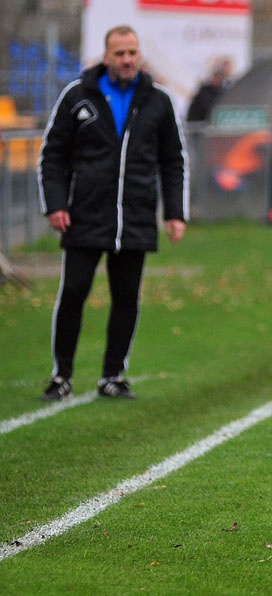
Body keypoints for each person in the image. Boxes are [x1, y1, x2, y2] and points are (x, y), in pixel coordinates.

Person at [37, 25, 188, 401]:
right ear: (106, 57)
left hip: (135, 216)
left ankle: (113, 377)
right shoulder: (77, 96)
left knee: (126, 298)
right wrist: (55, 204)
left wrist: (174, 212)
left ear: (139, 55)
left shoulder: (158, 101)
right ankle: (62, 376)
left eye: (132, 52)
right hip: (84, 215)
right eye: (119, 53)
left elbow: (173, 161)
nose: (126, 60)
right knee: (73, 292)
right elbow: (51, 155)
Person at [186, 57, 232, 123]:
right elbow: (212, 109)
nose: (218, 79)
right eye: (216, 76)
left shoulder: (221, 91)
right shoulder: (204, 92)